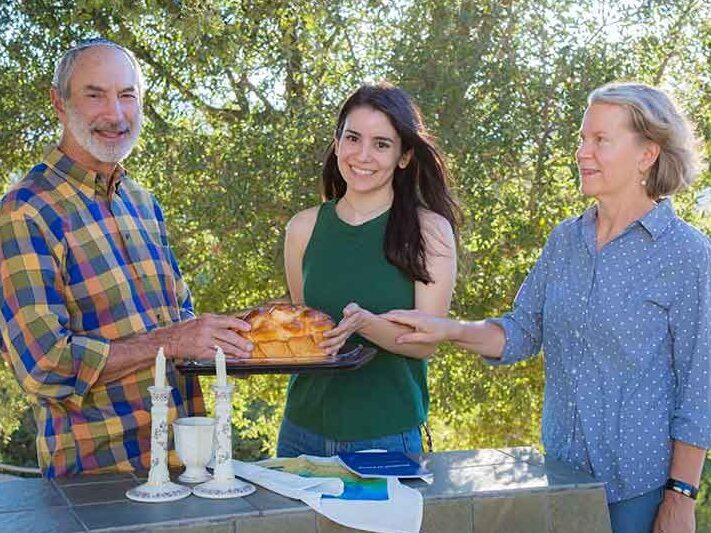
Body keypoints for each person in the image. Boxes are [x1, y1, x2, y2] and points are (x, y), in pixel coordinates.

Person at [383, 82, 709, 533]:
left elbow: (700, 383)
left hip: (640, 492)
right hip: (558, 482)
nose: (581, 152)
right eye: (581, 138)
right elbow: (520, 331)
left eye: (600, 140)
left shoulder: (687, 253)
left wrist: (681, 497)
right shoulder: (565, 241)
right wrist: (447, 328)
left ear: (647, 154)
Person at [0, 39, 253, 477]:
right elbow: (45, 366)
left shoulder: (142, 203)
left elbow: (181, 322)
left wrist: (243, 336)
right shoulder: (25, 212)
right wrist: (172, 341)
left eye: (127, 95)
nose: (115, 115)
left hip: (184, 467)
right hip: (99, 482)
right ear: (59, 103)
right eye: (94, 95)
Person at [276, 82, 460, 457]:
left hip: (387, 438)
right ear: (338, 142)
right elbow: (307, 328)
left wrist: (365, 323)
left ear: (404, 156)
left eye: (381, 144)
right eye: (353, 138)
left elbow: (425, 342)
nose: (363, 155)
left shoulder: (430, 232)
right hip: (300, 434)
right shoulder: (302, 228)